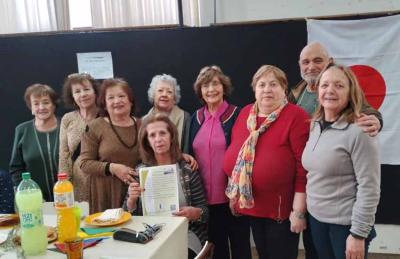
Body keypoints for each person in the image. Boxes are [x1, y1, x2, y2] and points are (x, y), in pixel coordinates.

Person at [289, 42, 382, 259]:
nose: (330, 90)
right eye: (305, 62)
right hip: (316, 218)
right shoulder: (309, 114)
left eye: (338, 86)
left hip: (344, 224)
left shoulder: (360, 129)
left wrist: (358, 234)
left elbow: (369, 188)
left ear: (350, 91)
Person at [224, 65, 309, 259]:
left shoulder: (296, 116)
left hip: (280, 211)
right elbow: (236, 157)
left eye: (274, 84)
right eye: (261, 85)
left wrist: (298, 211)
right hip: (251, 205)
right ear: (254, 90)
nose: (267, 89)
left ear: (284, 89)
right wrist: (233, 193)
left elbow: (303, 167)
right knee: (263, 254)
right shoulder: (246, 114)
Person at [123, 114, 208, 258]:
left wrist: (195, 213)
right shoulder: (140, 172)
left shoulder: (187, 170)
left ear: (171, 137)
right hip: (149, 237)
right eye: (152, 135)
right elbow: (127, 216)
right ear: (147, 141)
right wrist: (131, 200)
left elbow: (205, 213)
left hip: (184, 235)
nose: (158, 139)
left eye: (163, 133)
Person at [189, 65, 251, 259]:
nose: (211, 89)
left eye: (215, 83)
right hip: (205, 200)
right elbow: (188, 151)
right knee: (218, 249)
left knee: (241, 247)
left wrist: (238, 193)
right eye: (205, 85)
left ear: (224, 86)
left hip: (233, 196)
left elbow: (246, 155)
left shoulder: (238, 114)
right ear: (200, 90)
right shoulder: (195, 117)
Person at [289, 42, 382, 136]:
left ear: (329, 62)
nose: (311, 67)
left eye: (317, 61)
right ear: (299, 64)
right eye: (306, 62)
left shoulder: (344, 87)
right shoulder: (295, 93)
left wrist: (375, 120)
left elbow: (367, 111)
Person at [80, 78, 140, 213]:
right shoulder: (95, 127)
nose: (117, 101)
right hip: (106, 193)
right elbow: (84, 164)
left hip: (137, 194)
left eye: (121, 96)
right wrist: (113, 168)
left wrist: (180, 155)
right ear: (105, 104)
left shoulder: (143, 125)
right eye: (111, 97)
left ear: (130, 100)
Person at [9, 84, 60, 201]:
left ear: (53, 105)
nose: (41, 107)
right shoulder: (22, 130)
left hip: (70, 196)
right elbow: (16, 169)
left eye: (46, 102)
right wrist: (28, 194)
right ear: (31, 107)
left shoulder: (67, 126)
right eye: (36, 103)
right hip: (35, 201)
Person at [59, 73, 99, 202]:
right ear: (72, 96)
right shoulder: (68, 119)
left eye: (87, 89)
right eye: (77, 91)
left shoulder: (106, 115)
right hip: (78, 181)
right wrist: (64, 183)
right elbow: (64, 155)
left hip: (103, 179)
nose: (83, 94)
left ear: (95, 91)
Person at [143, 74, 191, 153]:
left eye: (169, 92)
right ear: (153, 95)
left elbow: (186, 150)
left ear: (174, 98)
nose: (164, 94)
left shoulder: (185, 117)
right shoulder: (144, 120)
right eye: (160, 90)